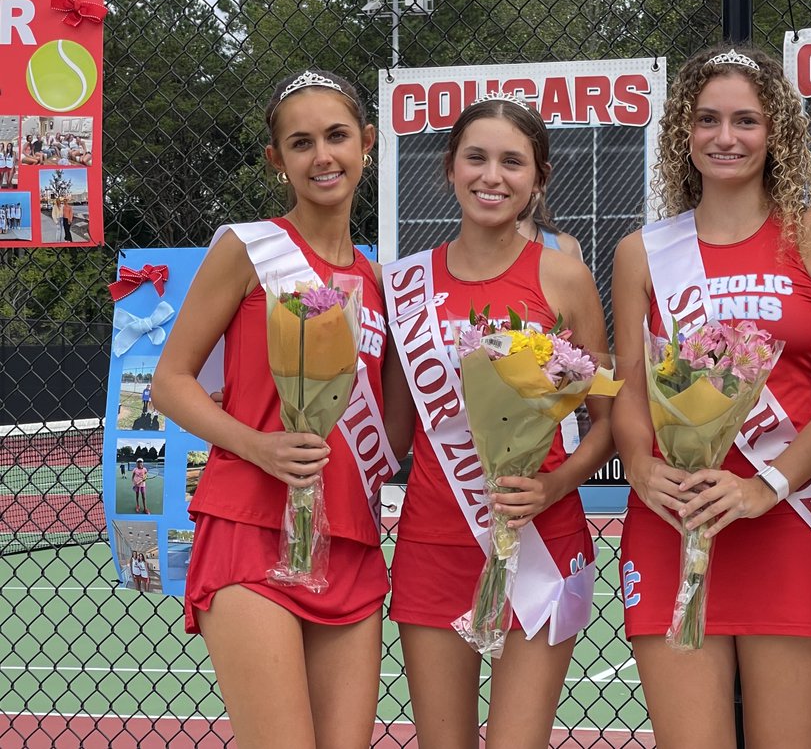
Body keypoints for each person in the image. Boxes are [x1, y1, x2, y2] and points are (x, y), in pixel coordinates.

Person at [611, 44, 811, 749]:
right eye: (708, 119)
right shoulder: (643, 251)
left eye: (746, 121)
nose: (726, 137)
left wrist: (767, 488)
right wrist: (640, 466)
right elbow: (628, 387)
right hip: (675, 518)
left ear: (775, 132)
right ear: (682, 133)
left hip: (791, 520)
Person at [152, 69, 396, 748]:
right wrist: (259, 446)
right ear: (277, 160)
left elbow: (391, 426)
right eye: (301, 142)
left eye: (338, 136)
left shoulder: (377, 282)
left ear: (367, 144)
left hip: (348, 537)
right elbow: (170, 382)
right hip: (249, 525)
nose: (323, 156)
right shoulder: (247, 247)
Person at [382, 91, 614, 749]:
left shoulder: (566, 279)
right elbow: (393, 435)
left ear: (539, 178)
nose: (492, 176)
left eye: (513, 162)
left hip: (541, 534)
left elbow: (606, 422)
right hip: (435, 540)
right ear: (449, 167)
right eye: (476, 158)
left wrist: (553, 485)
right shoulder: (403, 286)